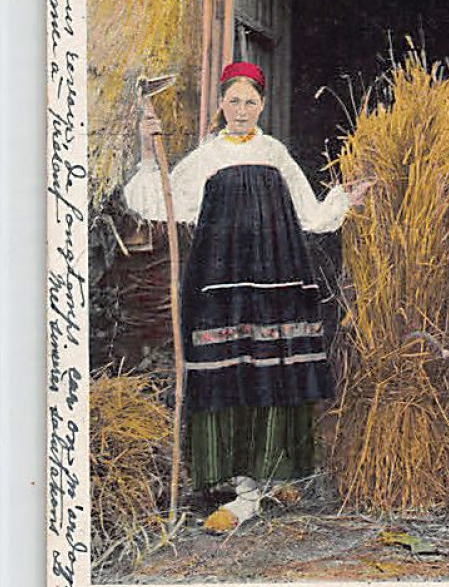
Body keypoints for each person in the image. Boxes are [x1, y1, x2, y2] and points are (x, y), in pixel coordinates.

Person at [124, 61, 372, 527]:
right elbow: (158, 202)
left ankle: (269, 480)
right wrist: (145, 149)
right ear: (221, 104)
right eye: (233, 101)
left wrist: (344, 199)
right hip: (222, 287)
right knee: (233, 374)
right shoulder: (206, 157)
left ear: (262, 104)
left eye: (250, 102)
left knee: (272, 374)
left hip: (277, 282)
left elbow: (310, 214)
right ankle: (242, 489)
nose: (241, 110)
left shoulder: (275, 152)